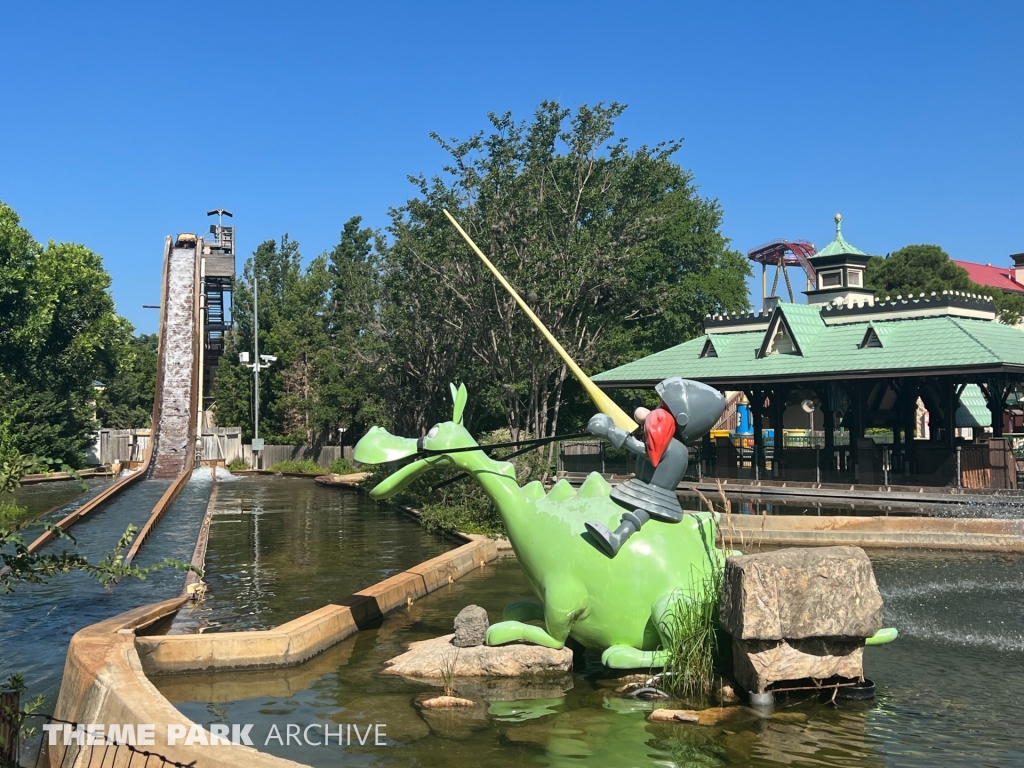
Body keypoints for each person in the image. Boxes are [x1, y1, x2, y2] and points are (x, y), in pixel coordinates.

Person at [584, 377, 724, 557]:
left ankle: (617, 538)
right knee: (635, 507)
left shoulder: (673, 448)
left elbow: (645, 452)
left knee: (642, 511)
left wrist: (611, 431)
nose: (657, 409)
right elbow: (643, 453)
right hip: (645, 485)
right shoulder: (672, 445)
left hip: (654, 492)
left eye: (664, 406)